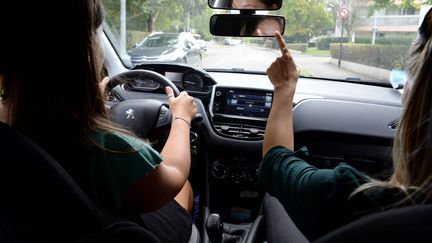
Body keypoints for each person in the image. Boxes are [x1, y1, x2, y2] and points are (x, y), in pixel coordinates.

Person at [0, 0, 196, 242]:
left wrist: (92, 104)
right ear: (85, 53)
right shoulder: (109, 147)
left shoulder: (8, 129)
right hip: (123, 233)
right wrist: (181, 117)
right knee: (185, 187)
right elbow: (173, 175)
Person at [259, 8, 432, 241]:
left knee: (273, 199)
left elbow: (274, 162)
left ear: (417, 96)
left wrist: (284, 87)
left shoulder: (353, 199)